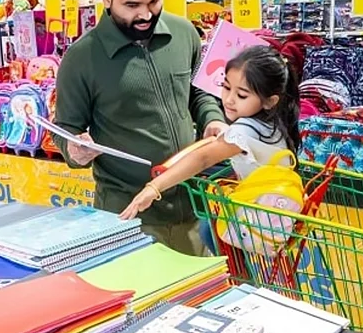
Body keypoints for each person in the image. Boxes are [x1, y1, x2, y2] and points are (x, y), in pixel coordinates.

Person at [54, 0, 227, 256]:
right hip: (128, 217)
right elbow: (65, 128)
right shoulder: (82, 58)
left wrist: (212, 119)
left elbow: (198, 93)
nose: (146, 14)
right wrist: (74, 149)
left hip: (192, 205)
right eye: (132, 5)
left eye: (154, 1)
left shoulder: (184, 34)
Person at [120, 46, 300, 222]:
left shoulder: (244, 131)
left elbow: (202, 159)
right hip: (278, 211)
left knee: (209, 226)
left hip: (258, 219)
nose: (229, 99)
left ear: (270, 101)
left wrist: (154, 187)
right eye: (226, 87)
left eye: (242, 95)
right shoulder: (275, 124)